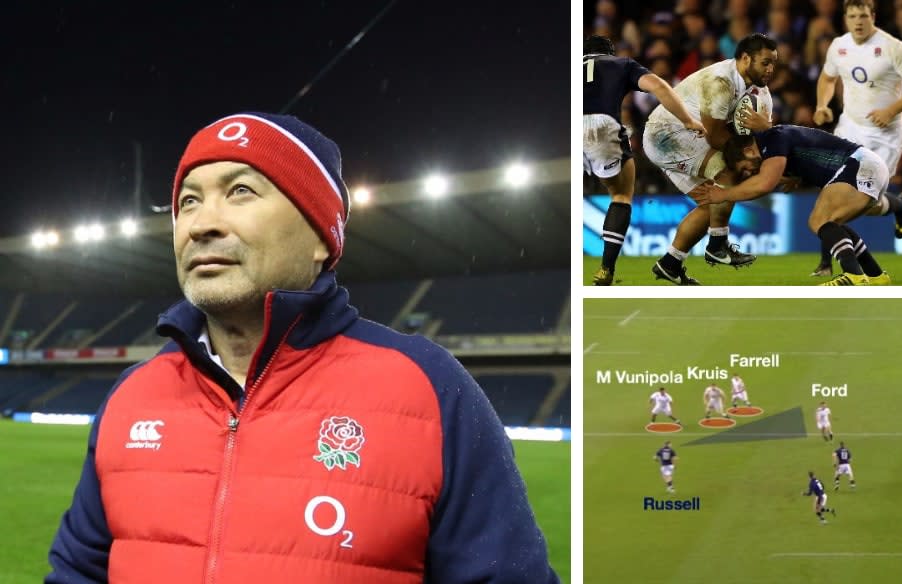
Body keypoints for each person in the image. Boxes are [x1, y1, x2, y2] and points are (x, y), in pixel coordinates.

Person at [45, 112, 559, 583]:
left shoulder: (431, 388)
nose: (202, 224)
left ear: (320, 236)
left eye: (241, 191)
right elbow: (75, 573)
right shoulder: (132, 395)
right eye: (189, 201)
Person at [643, 33, 777, 285]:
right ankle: (717, 246)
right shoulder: (721, 82)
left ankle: (670, 263)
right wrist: (745, 161)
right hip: (666, 134)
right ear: (746, 59)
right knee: (729, 174)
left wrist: (762, 142)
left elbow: (764, 138)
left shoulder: (762, 95)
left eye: (773, 63)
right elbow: (715, 135)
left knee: (713, 201)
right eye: (765, 62)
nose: (770, 69)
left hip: (689, 137)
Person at [810, 0, 902, 277]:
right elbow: (827, 79)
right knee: (830, 191)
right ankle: (826, 263)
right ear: (845, 19)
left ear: (873, 16)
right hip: (849, 128)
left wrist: (891, 110)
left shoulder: (892, 47)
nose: (858, 21)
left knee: (865, 203)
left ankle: (899, 205)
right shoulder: (838, 46)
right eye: (852, 16)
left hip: (884, 136)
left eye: (863, 15)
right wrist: (821, 105)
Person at [693, 125, 892, 286]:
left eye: (746, 167)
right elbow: (808, 150)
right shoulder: (774, 141)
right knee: (832, 223)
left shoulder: (772, 139)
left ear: (748, 150)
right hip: (868, 166)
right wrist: (796, 174)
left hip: (859, 166)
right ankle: (875, 275)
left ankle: (853, 275)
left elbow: (764, 184)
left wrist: (724, 194)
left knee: (819, 221)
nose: (749, 173)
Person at [584, 35, 706, 285]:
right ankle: (605, 270)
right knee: (620, 195)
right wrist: (688, 120)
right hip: (602, 125)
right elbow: (659, 87)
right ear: (609, 52)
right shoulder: (620, 64)